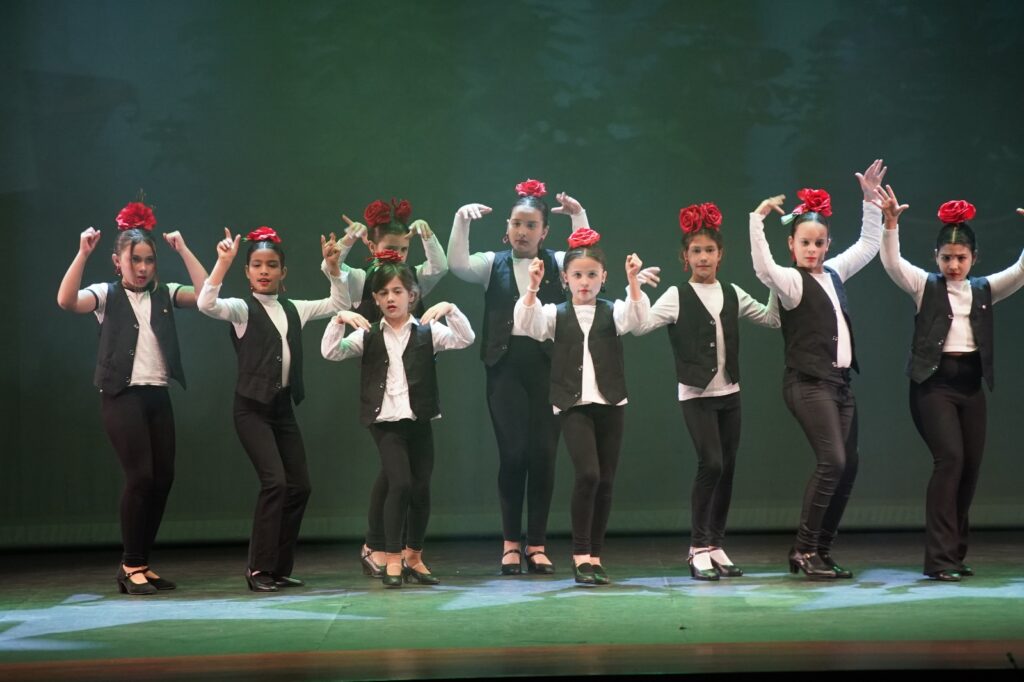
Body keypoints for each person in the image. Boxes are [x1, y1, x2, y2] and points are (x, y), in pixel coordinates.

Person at [57, 200, 207, 595]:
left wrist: (183, 250)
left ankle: (140, 561)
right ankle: (131, 564)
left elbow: (206, 295)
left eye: (149, 260)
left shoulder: (166, 293)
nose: (142, 267)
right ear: (117, 261)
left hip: (157, 394)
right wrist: (82, 253)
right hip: (121, 396)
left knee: (163, 479)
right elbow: (67, 301)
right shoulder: (105, 295)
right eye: (134, 259)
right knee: (140, 477)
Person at [875, 188, 1024, 581]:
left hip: (971, 385)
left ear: (974, 258)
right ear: (936, 258)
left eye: (961, 258)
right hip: (933, 385)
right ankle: (939, 560)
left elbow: (1021, 270)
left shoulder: (984, 289)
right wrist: (890, 225)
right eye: (947, 258)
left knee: (969, 468)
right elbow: (892, 263)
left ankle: (955, 554)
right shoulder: (924, 286)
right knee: (951, 460)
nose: (954, 265)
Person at [749, 159, 887, 580]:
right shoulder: (792, 282)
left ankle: (821, 550)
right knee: (832, 461)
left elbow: (869, 244)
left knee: (848, 466)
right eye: (805, 242)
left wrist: (870, 202)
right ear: (791, 245)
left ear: (827, 245)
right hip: (808, 383)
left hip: (840, 384)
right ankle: (804, 550)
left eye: (819, 242)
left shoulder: (835, 273)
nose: (812, 249)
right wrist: (756, 220)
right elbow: (763, 268)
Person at [446, 179, 591, 575]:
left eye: (531, 225)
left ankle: (537, 544)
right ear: (507, 227)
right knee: (513, 455)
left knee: (543, 455)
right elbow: (457, 264)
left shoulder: (559, 263)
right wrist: (461, 220)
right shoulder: (492, 264)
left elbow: (585, 255)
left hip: (549, 370)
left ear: (545, 231)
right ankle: (511, 543)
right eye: (516, 224)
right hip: (505, 370)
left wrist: (579, 215)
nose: (522, 232)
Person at [197, 226, 349, 592]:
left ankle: (279, 568)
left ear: (283, 272)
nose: (264, 271)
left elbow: (340, 304)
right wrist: (222, 263)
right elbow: (206, 304)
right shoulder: (242, 310)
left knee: (300, 486)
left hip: (282, 410)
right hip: (251, 410)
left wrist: (334, 270)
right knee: (275, 483)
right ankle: (258, 569)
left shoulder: (294, 309)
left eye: (271, 265)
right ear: (247, 271)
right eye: (257, 265)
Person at [634, 202, 779, 580]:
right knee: (710, 464)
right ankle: (697, 547)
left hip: (730, 393)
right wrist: (636, 288)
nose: (703, 257)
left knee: (727, 468)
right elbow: (640, 325)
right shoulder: (676, 295)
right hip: (696, 395)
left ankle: (715, 544)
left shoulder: (732, 292)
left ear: (720, 254)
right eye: (696, 250)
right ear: (685, 256)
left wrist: (775, 281)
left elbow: (771, 318)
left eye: (709, 250)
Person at [321, 254, 475, 587]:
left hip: (418, 418)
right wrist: (339, 318)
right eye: (383, 293)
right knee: (400, 483)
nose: (390, 298)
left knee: (421, 488)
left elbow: (465, 339)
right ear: (375, 299)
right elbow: (331, 352)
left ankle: (413, 556)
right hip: (385, 421)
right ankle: (392, 556)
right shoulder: (368, 334)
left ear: (412, 295)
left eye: (397, 291)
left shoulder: (427, 331)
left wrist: (450, 309)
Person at [514, 228, 649, 585]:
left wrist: (633, 282)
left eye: (591, 274)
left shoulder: (613, 311)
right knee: (588, 474)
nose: (584, 282)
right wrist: (532, 287)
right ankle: (580, 554)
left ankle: (595, 556)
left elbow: (638, 320)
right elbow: (526, 324)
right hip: (572, 403)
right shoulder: (555, 314)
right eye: (577, 275)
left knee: (605, 480)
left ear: (604, 277)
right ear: (565, 278)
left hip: (610, 402)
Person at [331, 198, 448, 578]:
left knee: (404, 478)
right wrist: (348, 240)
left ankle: (397, 549)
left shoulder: (410, 277)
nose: (395, 255)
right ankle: (380, 546)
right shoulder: (363, 279)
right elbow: (333, 269)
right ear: (372, 245)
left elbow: (439, 267)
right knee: (397, 478)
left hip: (413, 383)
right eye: (388, 247)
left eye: (402, 249)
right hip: (381, 380)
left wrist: (428, 238)